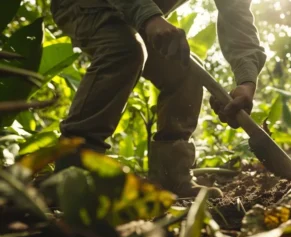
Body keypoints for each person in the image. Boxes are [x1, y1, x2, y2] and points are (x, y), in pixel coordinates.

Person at [50, 0, 266, 198]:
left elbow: (240, 25)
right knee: (125, 48)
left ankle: (170, 178)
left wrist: (246, 84)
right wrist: (150, 17)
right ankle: (73, 172)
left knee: (186, 68)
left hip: (133, 15)